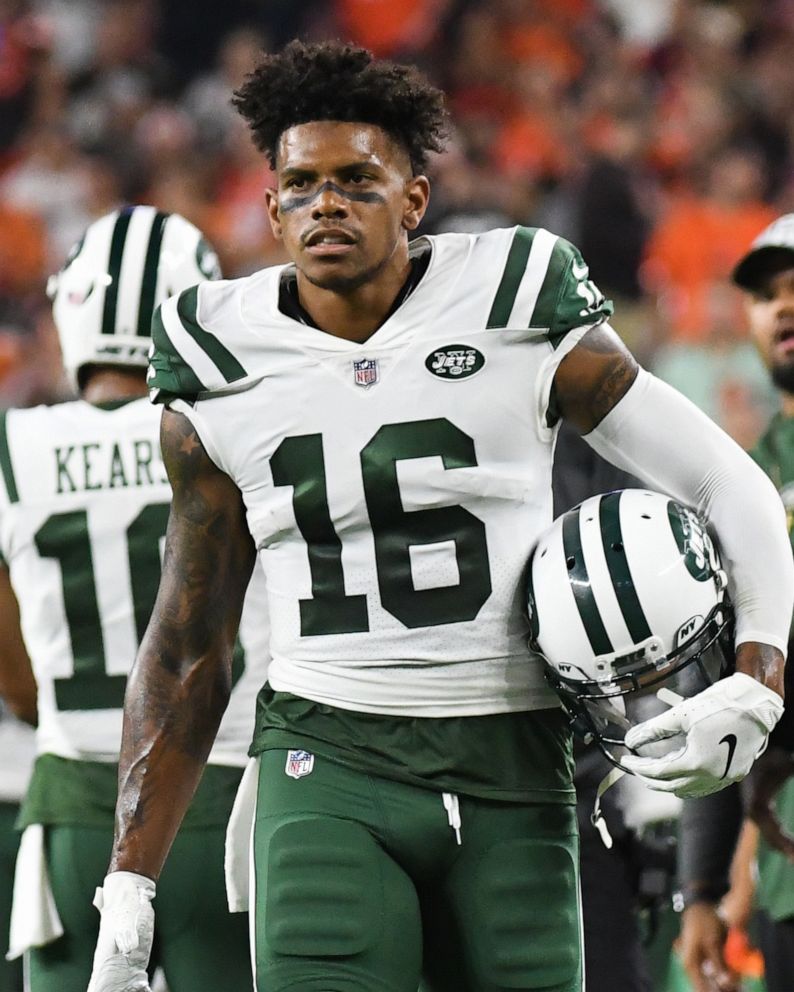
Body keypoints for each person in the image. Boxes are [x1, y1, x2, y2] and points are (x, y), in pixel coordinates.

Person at [88, 41, 793, 992]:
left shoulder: (511, 297)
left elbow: (724, 479)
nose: (325, 204)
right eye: (300, 184)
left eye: (355, 180)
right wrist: (129, 876)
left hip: (511, 752)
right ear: (269, 207)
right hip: (326, 755)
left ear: (413, 200)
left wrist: (758, 675)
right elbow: (188, 640)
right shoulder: (219, 355)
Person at [0, 205, 269, 992]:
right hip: (222, 798)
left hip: (79, 804)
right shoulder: (229, 430)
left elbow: (15, 679)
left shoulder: (15, 448)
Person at [677, 213, 794, 992]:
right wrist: (704, 887)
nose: (783, 308)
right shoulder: (744, 487)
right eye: (767, 295)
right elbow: (718, 690)